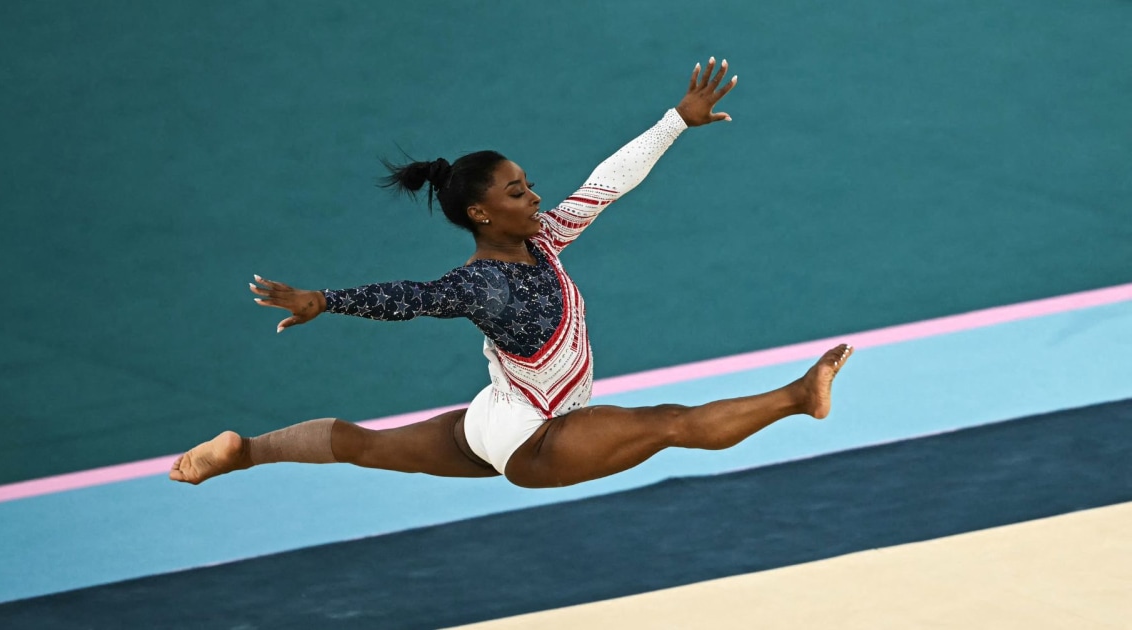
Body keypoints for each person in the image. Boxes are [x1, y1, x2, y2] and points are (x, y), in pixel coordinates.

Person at [170, 58, 853, 489]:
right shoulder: (483, 283)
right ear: (480, 212)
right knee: (667, 423)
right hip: (536, 438)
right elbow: (414, 297)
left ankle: (244, 451)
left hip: (491, 418)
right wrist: (327, 299)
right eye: (516, 191)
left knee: (359, 444)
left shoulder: (545, 237)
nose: (533, 196)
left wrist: (675, 121)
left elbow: (606, 184)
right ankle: (799, 396)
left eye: (527, 183)